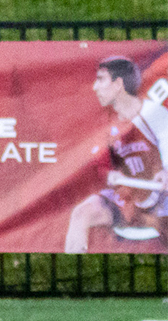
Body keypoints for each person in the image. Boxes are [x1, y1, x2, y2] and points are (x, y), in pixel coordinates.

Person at [64, 56, 168, 253]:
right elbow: (104, 165)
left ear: (118, 84)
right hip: (129, 199)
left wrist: (165, 172)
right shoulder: (106, 125)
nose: (95, 87)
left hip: (163, 201)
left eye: (101, 79)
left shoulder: (154, 113)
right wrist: (110, 174)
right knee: (81, 214)